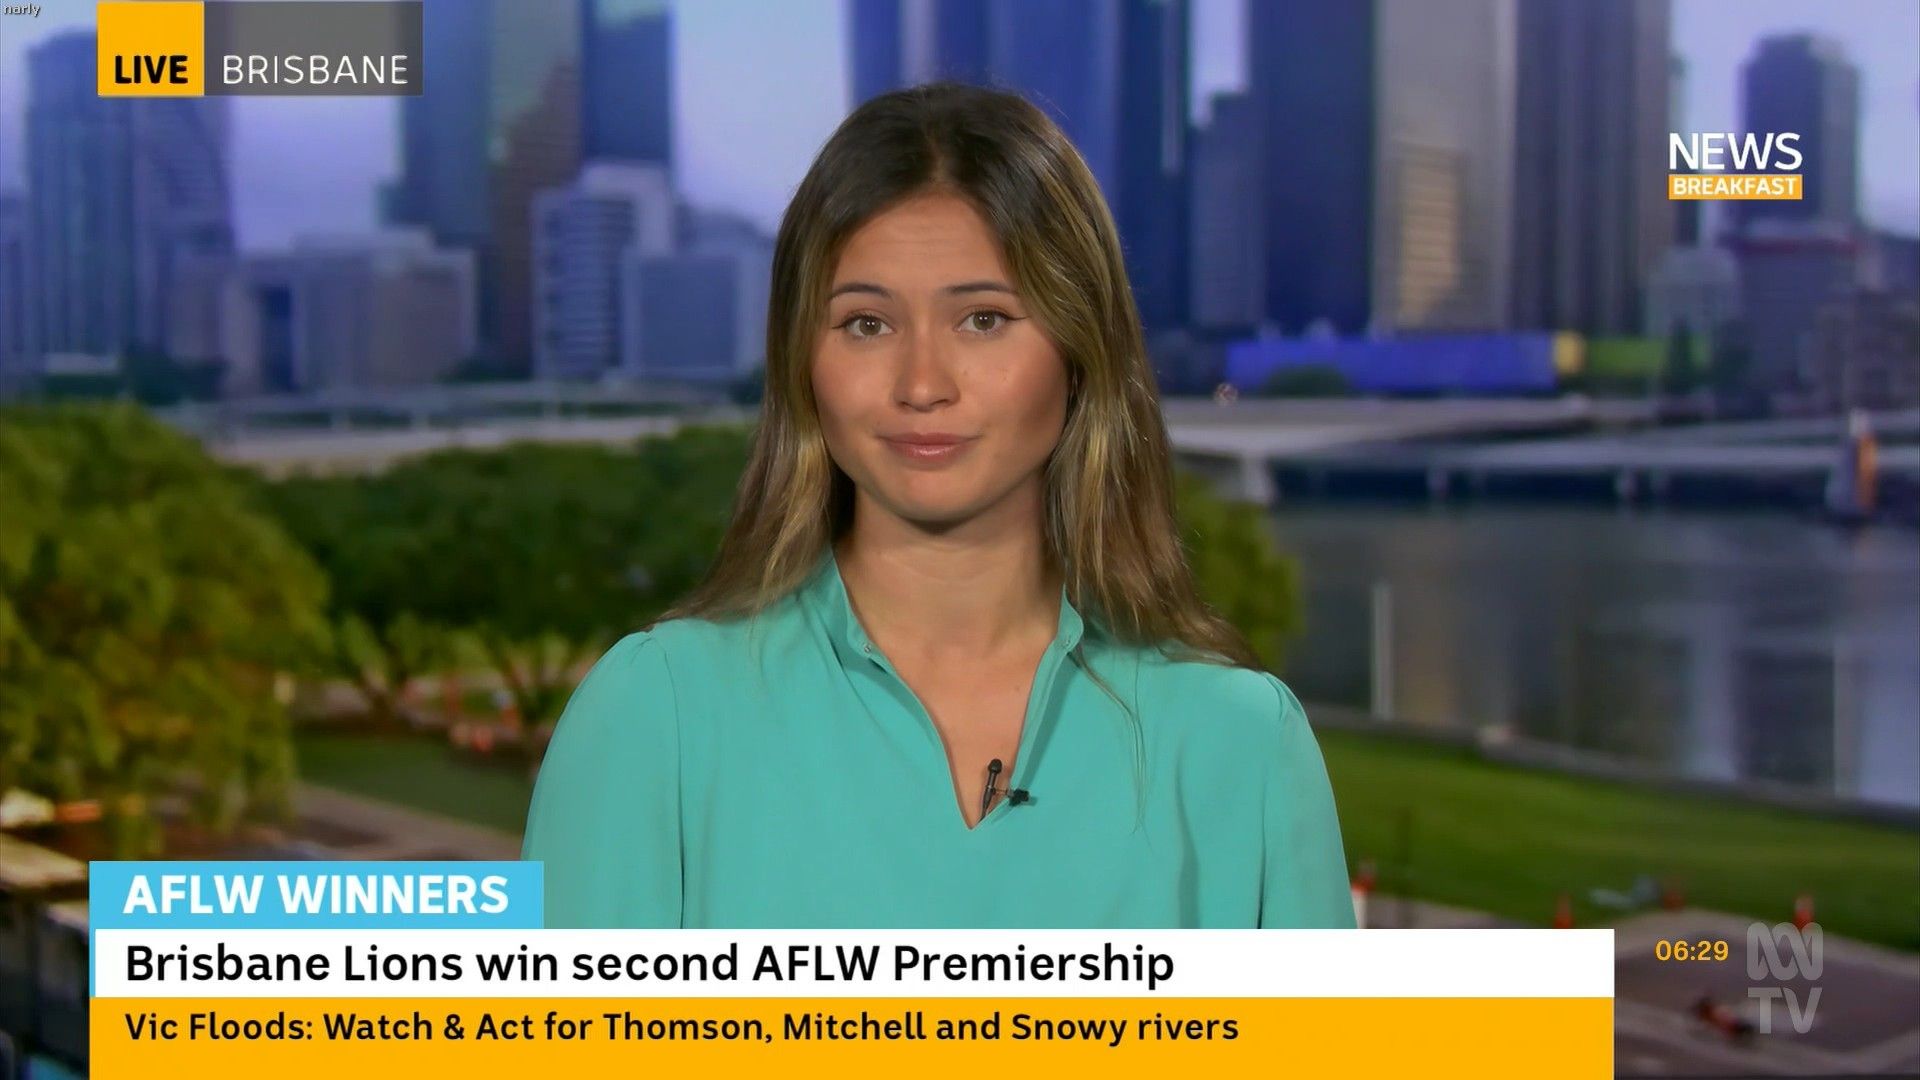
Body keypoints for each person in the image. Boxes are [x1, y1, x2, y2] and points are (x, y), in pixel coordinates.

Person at [522, 81, 1354, 930]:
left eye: (983, 319)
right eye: (866, 324)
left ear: (1080, 349)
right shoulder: (654, 718)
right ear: (801, 361)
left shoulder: (1240, 747)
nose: (922, 385)